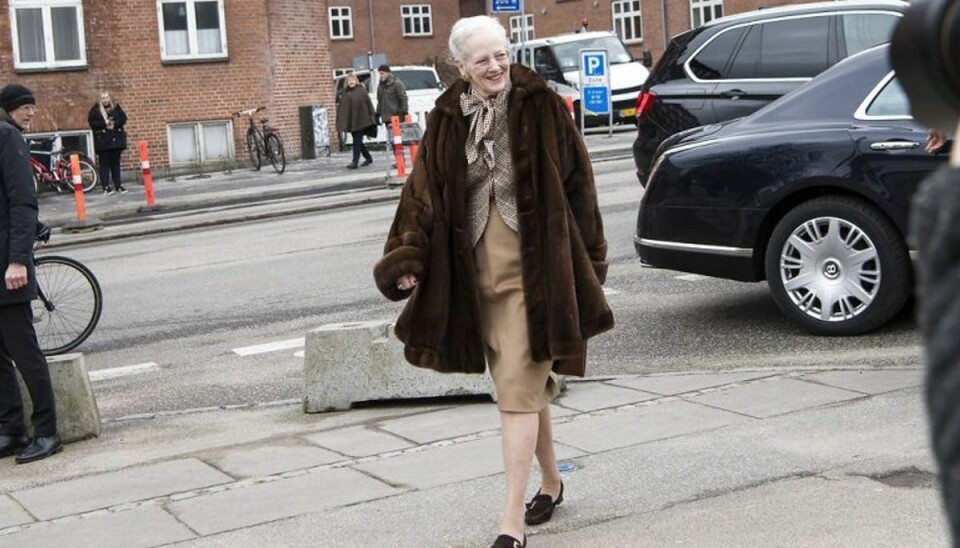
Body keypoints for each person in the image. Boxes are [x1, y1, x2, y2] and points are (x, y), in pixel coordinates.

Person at [373, 16, 613, 548]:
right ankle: (551, 482)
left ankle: (510, 522)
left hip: (537, 271)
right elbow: (423, 192)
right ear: (459, 66)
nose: (496, 66)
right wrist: (408, 255)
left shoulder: (542, 105)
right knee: (520, 383)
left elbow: (580, 186)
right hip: (472, 270)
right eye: (482, 59)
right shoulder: (445, 118)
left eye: (501, 54)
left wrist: (589, 265)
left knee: (515, 391)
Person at [0, 84, 62, 464]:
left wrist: (19, 260)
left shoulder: (7, 137)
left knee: (26, 353)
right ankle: (10, 429)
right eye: (24, 107)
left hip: (8, 267)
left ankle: (47, 432)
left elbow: (23, 202)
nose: (30, 112)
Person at [88, 90, 128, 194]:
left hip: (115, 141)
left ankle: (118, 185)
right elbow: (92, 123)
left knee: (116, 164)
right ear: (100, 99)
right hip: (103, 142)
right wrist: (104, 123)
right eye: (103, 98)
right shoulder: (95, 110)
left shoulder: (116, 108)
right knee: (104, 165)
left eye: (106, 97)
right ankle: (106, 187)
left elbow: (123, 118)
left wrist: (114, 123)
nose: (105, 100)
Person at [336, 73, 375, 169]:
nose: (351, 82)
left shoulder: (361, 91)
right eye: (349, 80)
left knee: (356, 141)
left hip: (361, 120)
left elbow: (368, 104)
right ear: (347, 82)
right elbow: (343, 107)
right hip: (352, 121)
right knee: (358, 141)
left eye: (353, 80)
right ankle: (368, 158)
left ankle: (355, 162)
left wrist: (372, 117)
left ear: (356, 81)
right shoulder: (345, 93)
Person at [375, 64, 408, 134]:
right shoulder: (380, 86)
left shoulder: (397, 84)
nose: (381, 75)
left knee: (397, 137)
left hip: (396, 116)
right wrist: (377, 114)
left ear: (388, 73)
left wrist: (404, 112)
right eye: (380, 74)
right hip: (386, 117)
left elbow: (403, 98)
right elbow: (380, 101)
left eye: (382, 73)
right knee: (390, 137)